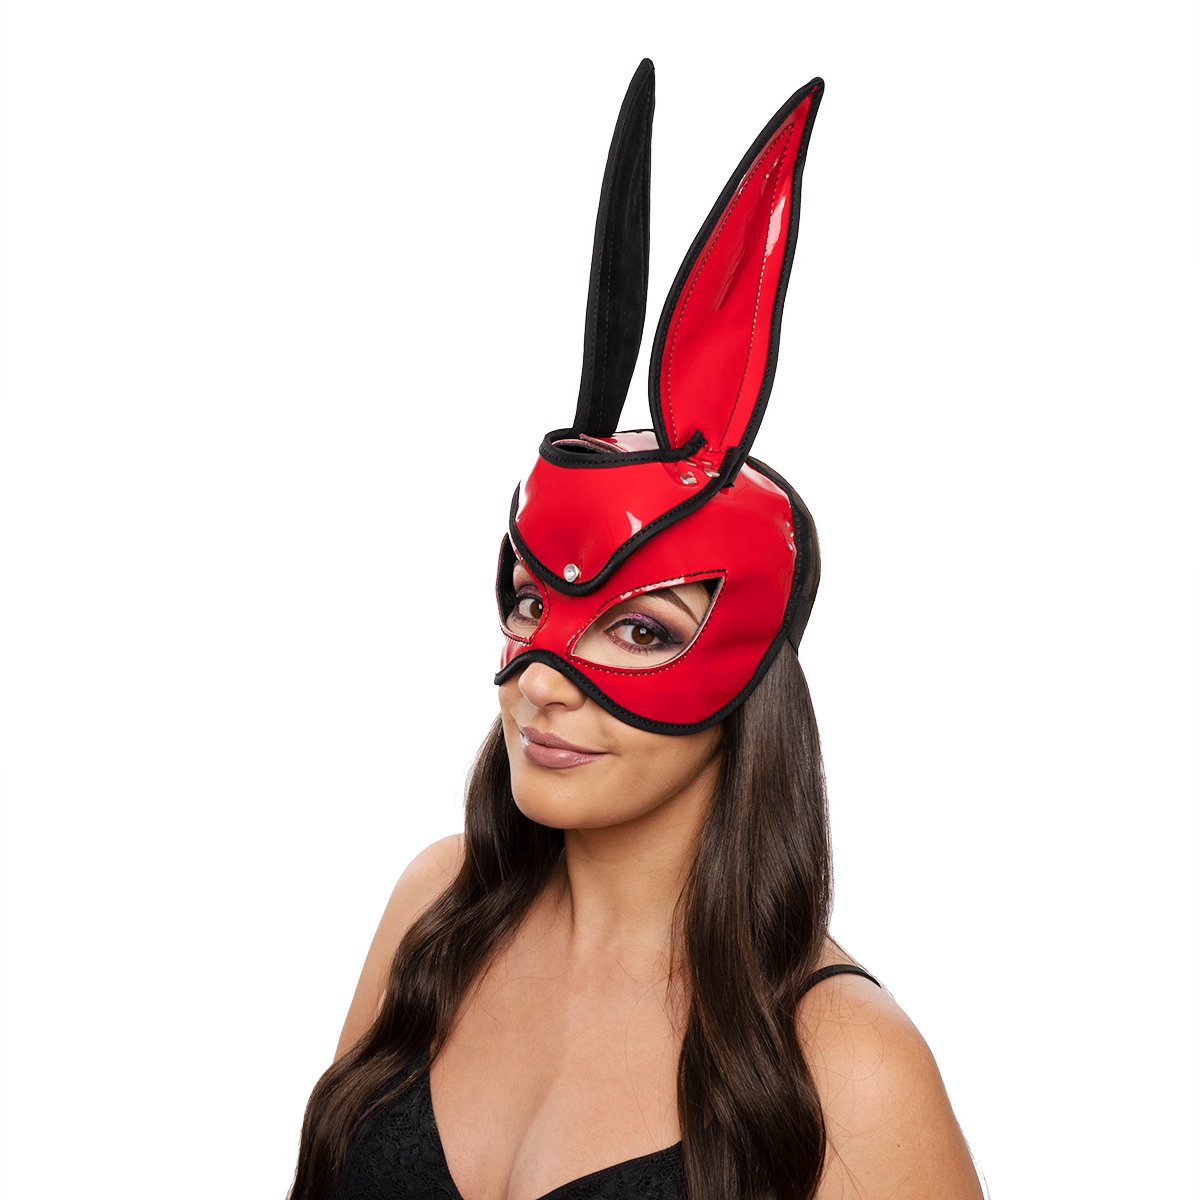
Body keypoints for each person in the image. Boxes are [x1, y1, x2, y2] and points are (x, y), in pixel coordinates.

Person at [288, 60, 985, 1200]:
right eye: (531, 603)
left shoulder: (848, 1070)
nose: (541, 680)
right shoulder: (435, 913)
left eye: (642, 631)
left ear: (749, 671)